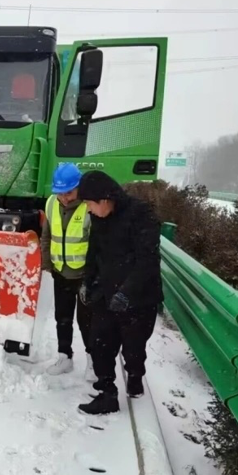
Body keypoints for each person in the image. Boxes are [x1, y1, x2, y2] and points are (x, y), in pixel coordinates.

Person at [75, 170, 163, 415]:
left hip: (139, 296)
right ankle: (107, 394)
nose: (89, 210)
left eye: (90, 204)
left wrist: (127, 292)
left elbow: (148, 260)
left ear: (104, 199)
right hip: (107, 293)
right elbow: (94, 252)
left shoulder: (140, 215)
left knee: (133, 348)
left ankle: (135, 374)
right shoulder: (100, 218)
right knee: (99, 343)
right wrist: (87, 281)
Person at [40, 164, 94, 379]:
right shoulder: (51, 203)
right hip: (60, 271)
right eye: (60, 193)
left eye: (69, 192)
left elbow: (98, 243)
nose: (64, 198)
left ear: (79, 187)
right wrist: (47, 265)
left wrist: (94, 275)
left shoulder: (90, 206)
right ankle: (65, 357)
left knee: (87, 321)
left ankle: (93, 361)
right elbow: (46, 236)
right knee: (62, 317)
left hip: (84, 275)